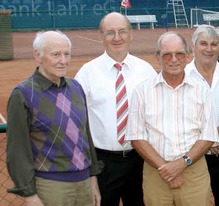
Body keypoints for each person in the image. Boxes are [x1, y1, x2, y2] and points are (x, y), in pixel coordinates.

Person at [6, 30, 101, 206]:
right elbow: (17, 151)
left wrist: (93, 178)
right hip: (51, 187)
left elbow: (85, 137)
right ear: (38, 55)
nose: (63, 60)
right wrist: (29, 195)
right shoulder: (23, 94)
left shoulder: (76, 87)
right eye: (56, 54)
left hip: (84, 183)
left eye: (66, 54)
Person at [75, 12, 156, 206]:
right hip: (103, 163)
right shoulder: (87, 73)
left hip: (141, 160)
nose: (117, 38)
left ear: (131, 34)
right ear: (100, 35)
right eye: (110, 33)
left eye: (122, 31)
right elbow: (76, 123)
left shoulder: (146, 71)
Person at [126, 32, 217, 206]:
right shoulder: (142, 92)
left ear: (188, 56)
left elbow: (208, 135)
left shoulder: (201, 90)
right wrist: (166, 169)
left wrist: (182, 164)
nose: (174, 59)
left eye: (179, 54)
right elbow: (137, 137)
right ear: (158, 58)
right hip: (156, 172)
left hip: (193, 171)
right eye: (167, 54)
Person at [185, 25, 219, 206]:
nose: (209, 49)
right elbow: (181, 116)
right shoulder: (182, 75)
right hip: (190, 153)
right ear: (193, 46)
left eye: (214, 44)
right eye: (203, 43)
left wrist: (215, 138)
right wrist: (209, 140)